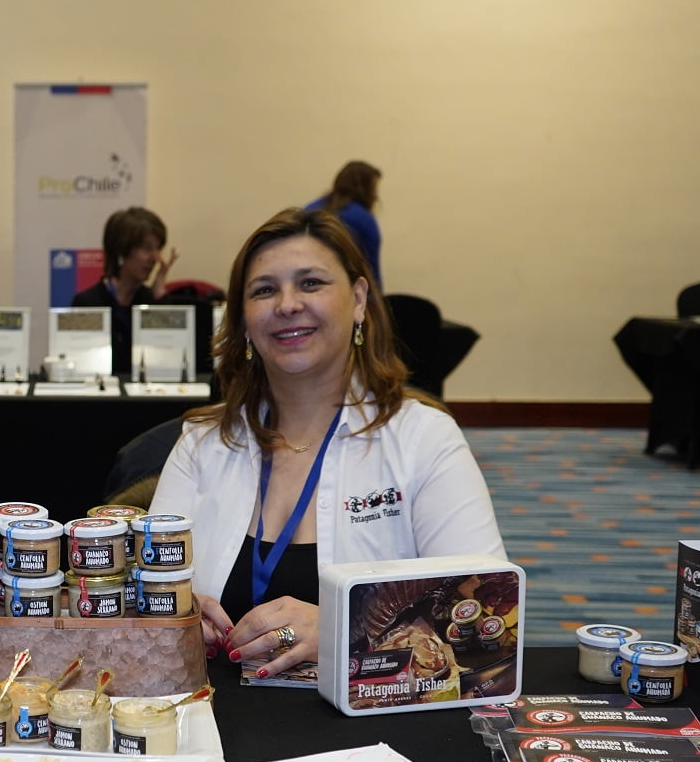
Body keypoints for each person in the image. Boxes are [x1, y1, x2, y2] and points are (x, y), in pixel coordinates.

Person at [149, 207, 503, 677]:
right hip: (213, 711)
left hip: (370, 716)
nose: (287, 304)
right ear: (244, 320)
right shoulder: (202, 443)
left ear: (358, 300)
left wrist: (346, 633)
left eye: (311, 283)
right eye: (264, 290)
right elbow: (143, 594)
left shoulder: (424, 439)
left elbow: (490, 625)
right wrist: (167, 618)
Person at [70, 206, 178, 377]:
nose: (155, 258)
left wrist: (159, 295)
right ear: (121, 251)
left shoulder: (151, 300)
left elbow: (169, 358)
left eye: (158, 248)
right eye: (147, 248)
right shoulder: (87, 303)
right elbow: (80, 365)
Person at [305, 161, 382, 289]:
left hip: (309, 284)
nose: (375, 196)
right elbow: (372, 272)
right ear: (363, 188)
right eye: (373, 188)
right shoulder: (363, 219)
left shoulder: (310, 209)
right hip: (347, 290)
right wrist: (377, 298)